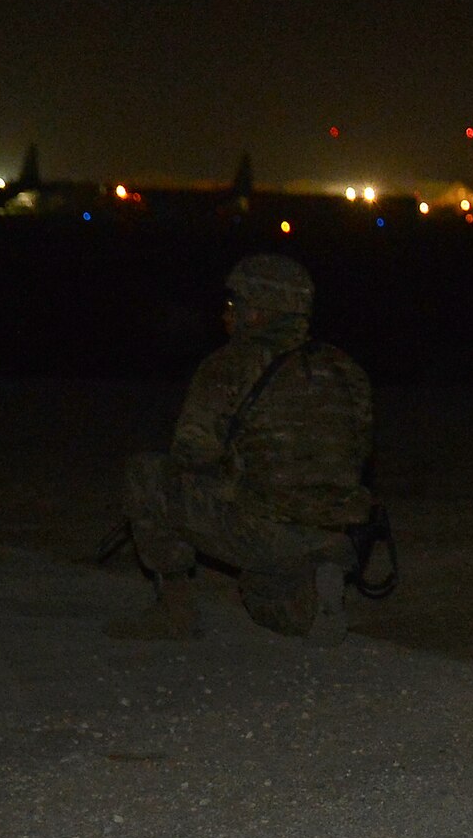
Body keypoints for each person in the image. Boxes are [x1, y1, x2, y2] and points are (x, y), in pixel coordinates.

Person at [107, 253, 373, 645]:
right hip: (330, 527)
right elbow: (359, 451)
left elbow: (191, 453)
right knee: (262, 601)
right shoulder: (345, 368)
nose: (228, 313)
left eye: (238, 303)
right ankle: (314, 578)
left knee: (148, 474)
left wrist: (228, 472)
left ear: (259, 311)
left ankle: (174, 612)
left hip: (260, 527)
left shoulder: (229, 365)